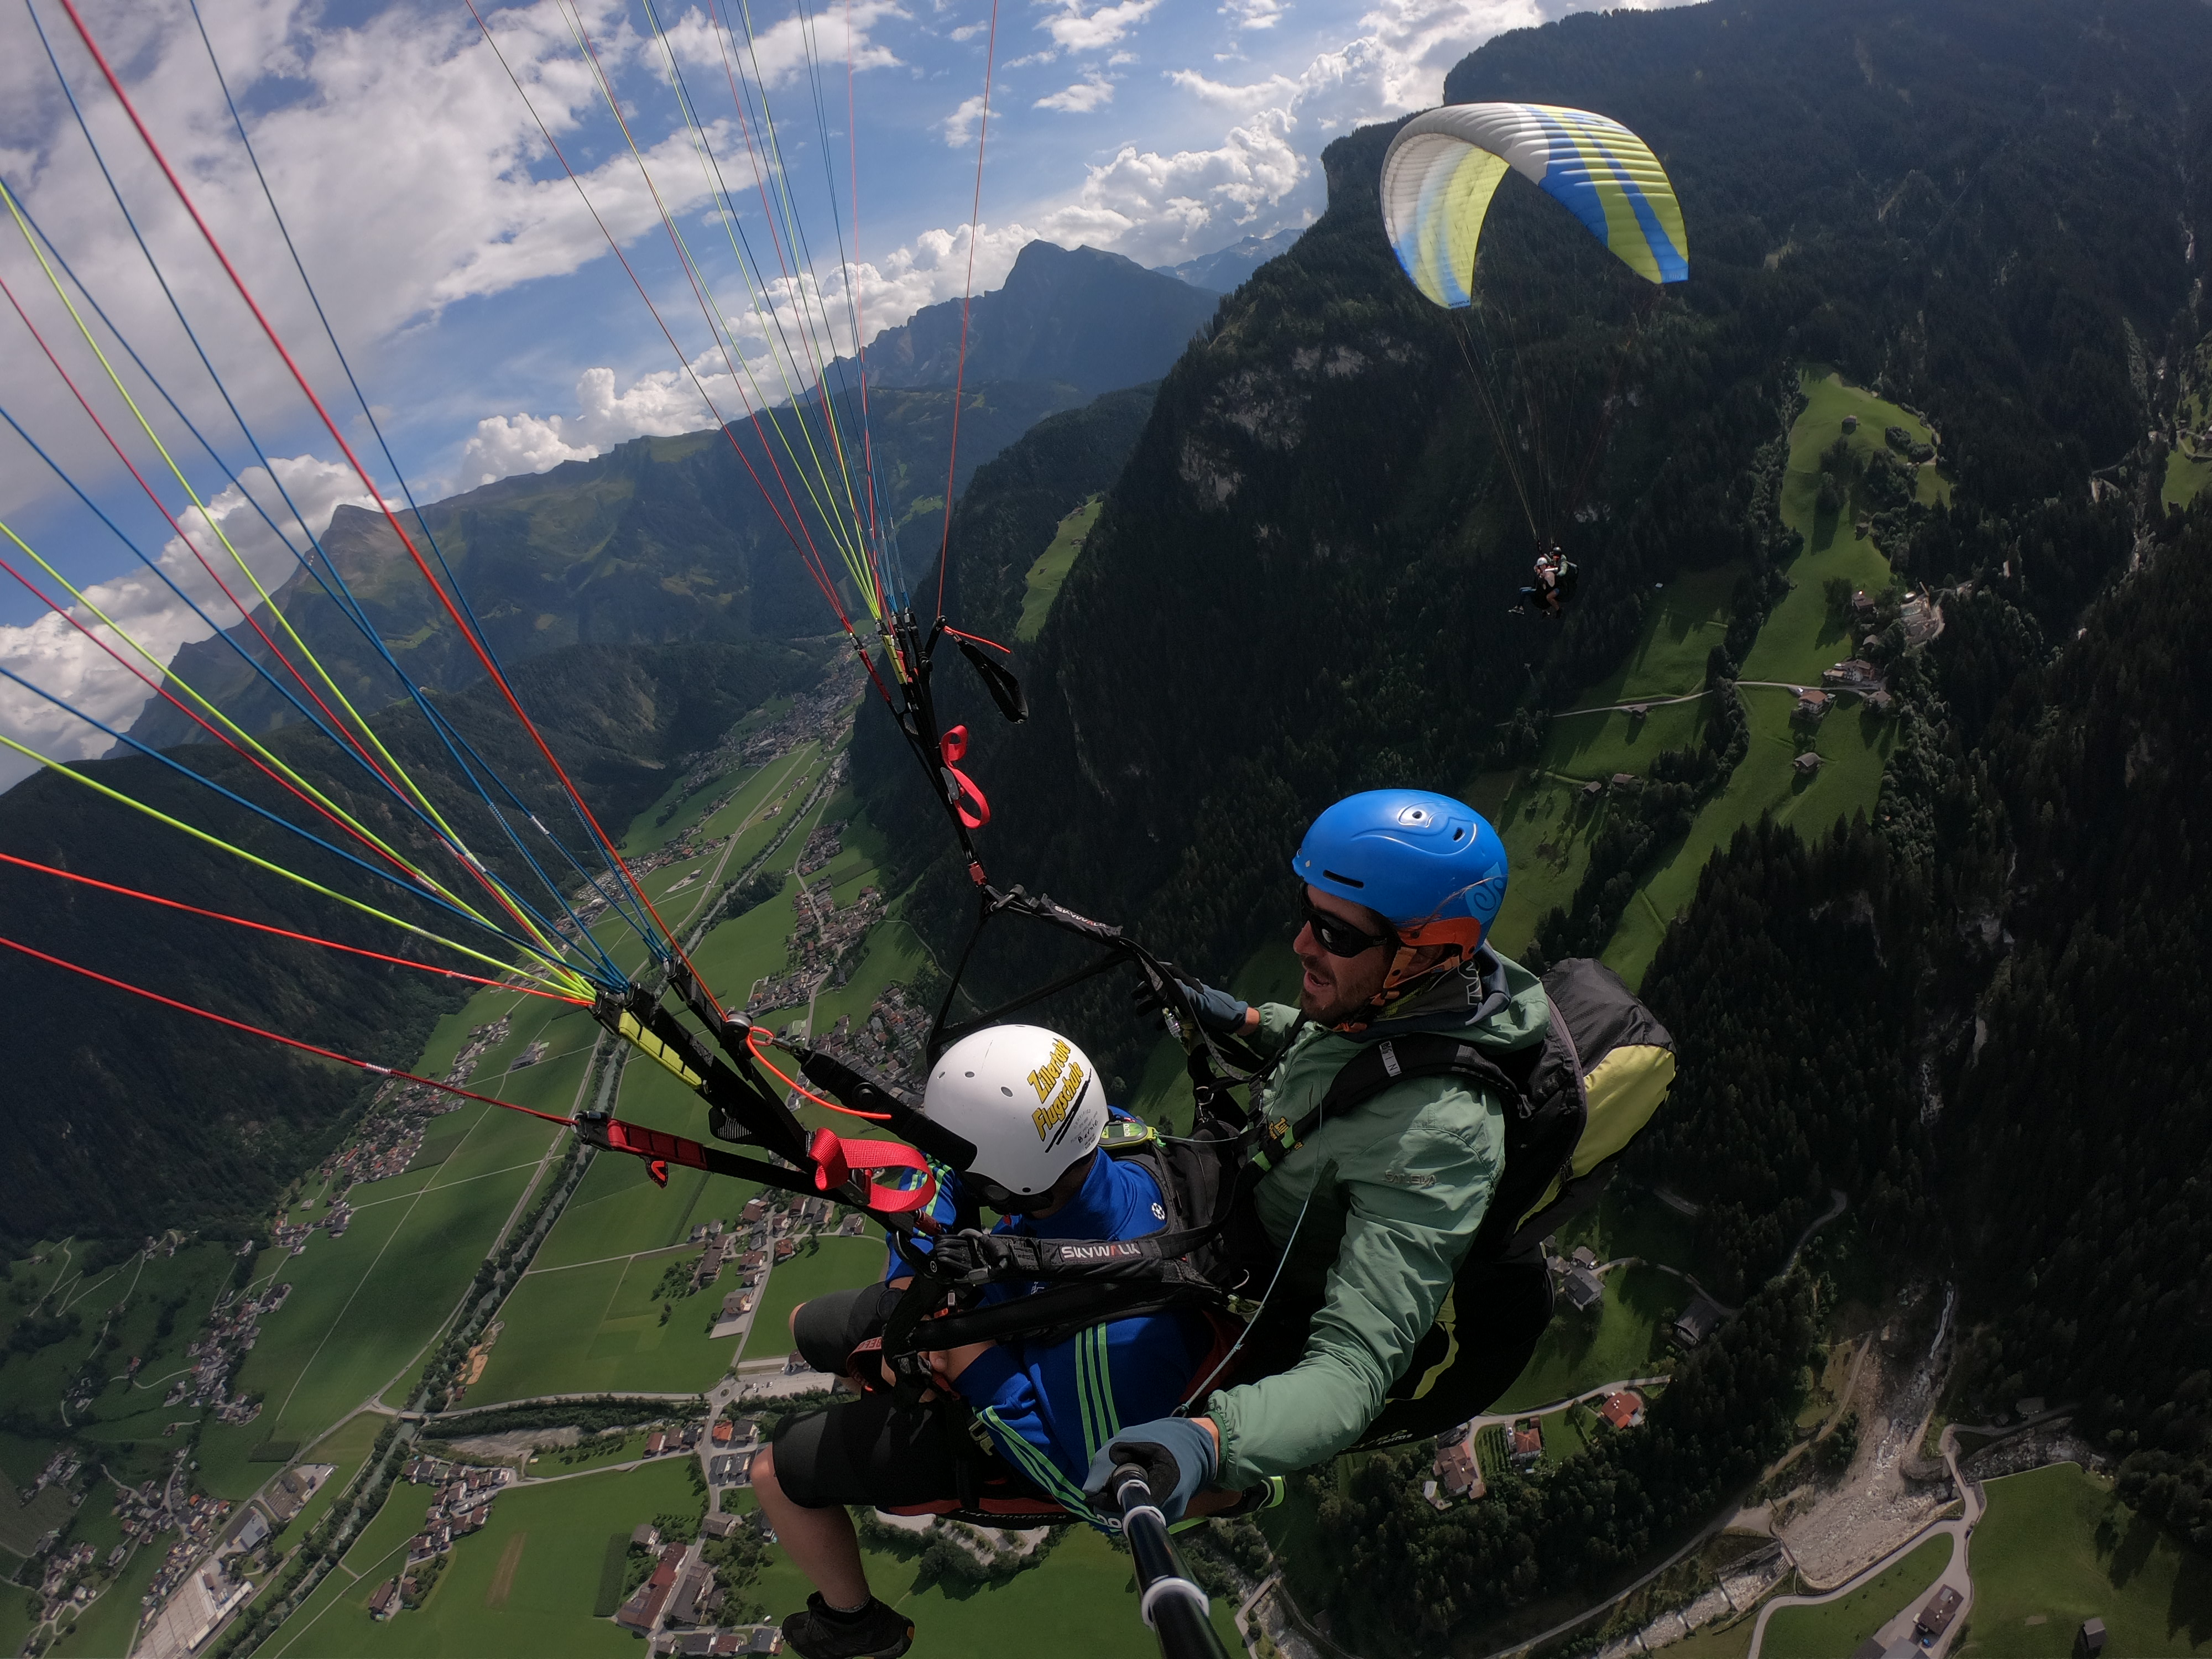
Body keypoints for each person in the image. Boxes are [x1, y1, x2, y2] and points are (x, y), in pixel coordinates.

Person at [1077, 787, 1547, 1526]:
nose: (1301, 943)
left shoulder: (1444, 1139)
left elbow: (1353, 1370)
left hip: (1241, 1268)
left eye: (1336, 932)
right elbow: (1345, 1058)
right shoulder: (1414, 998)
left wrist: (1208, 1442)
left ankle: (1258, 1490)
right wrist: (1237, 1015)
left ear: (1421, 953)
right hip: (1231, 1193)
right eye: (1308, 913)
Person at [754, 1022, 1220, 1659]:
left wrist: (972, 1365)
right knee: (805, 1322)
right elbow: (946, 1178)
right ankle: (888, 1393)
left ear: (1007, 1187)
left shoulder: (1110, 1345)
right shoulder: (1108, 1133)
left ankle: (856, 1626)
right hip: (987, 1303)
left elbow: (1090, 1495)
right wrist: (904, 1294)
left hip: (1014, 1412)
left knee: (772, 1475)